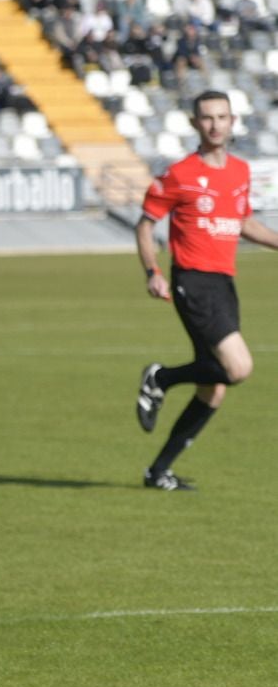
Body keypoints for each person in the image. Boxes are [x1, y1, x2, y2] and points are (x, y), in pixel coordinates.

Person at [133, 91, 278, 491]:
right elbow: (145, 225)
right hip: (193, 281)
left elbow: (242, 221)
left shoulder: (240, 171)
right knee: (238, 368)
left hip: (224, 283)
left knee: (214, 388)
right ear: (195, 124)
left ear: (233, 122)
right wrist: (153, 271)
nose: (215, 125)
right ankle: (160, 378)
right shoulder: (179, 174)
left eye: (222, 117)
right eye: (207, 118)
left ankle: (158, 472)